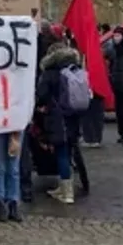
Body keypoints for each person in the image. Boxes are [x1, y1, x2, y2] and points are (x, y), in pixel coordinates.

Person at [34, 42, 83, 205]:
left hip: (56, 118)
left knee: (61, 153)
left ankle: (67, 192)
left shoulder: (49, 73)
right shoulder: (74, 68)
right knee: (68, 151)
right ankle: (64, 186)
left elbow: (42, 95)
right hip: (73, 116)